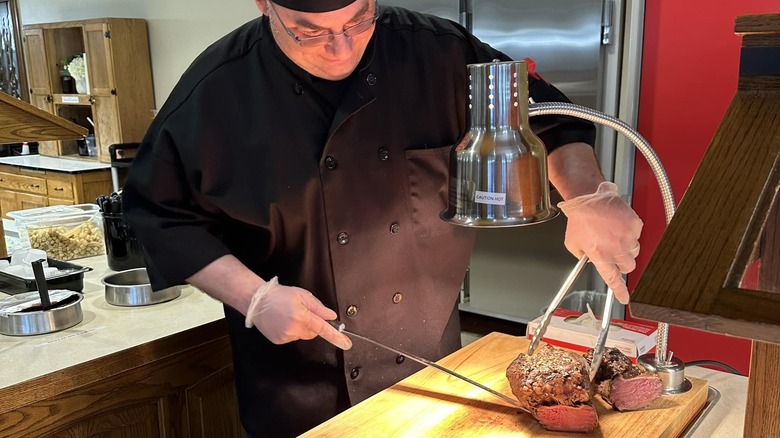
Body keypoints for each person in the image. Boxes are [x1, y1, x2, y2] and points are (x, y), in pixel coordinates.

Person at [122, 0, 643, 436]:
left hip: (430, 361)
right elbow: (159, 211)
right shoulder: (217, 90)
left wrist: (587, 196)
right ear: (264, 6)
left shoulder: (438, 52)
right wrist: (252, 298)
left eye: (359, 19)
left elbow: (550, 117)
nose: (342, 47)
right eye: (310, 31)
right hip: (295, 379)